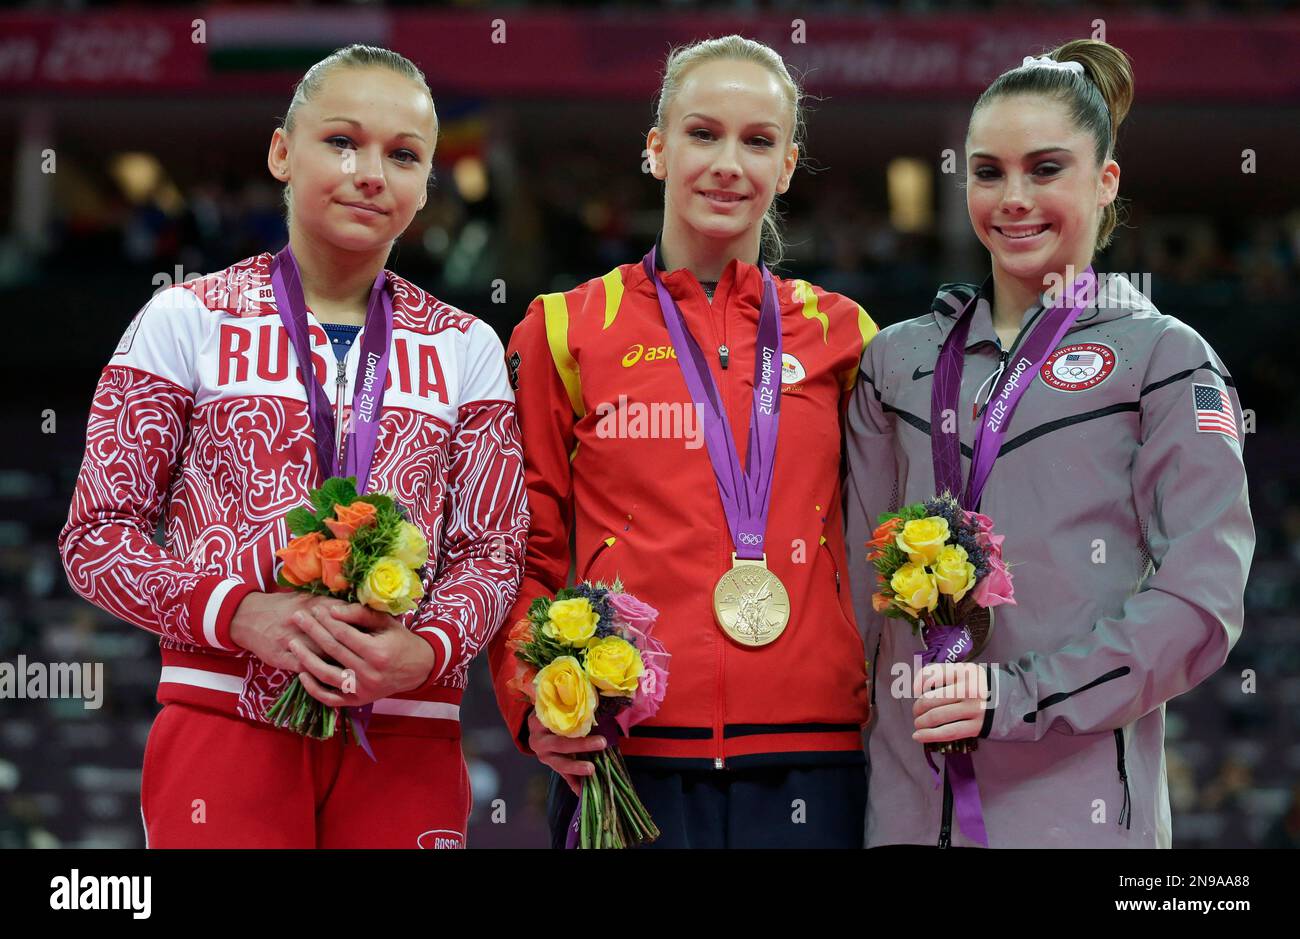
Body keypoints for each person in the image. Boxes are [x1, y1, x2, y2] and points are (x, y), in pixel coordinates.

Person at [58, 44, 527, 848]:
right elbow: (96, 536)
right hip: (224, 712)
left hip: (406, 728)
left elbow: (492, 550)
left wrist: (426, 648)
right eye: (342, 141)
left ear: (424, 185)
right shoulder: (187, 319)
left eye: (404, 154)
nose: (371, 172)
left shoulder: (467, 346)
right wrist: (240, 613)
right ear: (282, 151)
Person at [845, 39, 1254, 848]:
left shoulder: (1164, 357)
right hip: (902, 813)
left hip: (1079, 819)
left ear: (1106, 183)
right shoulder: (893, 360)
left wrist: (1016, 697)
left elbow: (1200, 602)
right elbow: (851, 595)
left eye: (1046, 169)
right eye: (989, 171)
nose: (1013, 198)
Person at [488, 34, 878, 849]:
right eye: (703, 133)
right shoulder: (564, 329)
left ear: (789, 165)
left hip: (815, 757)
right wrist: (536, 702)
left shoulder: (847, 337)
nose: (728, 163)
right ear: (657, 150)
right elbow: (522, 547)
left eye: (758, 141)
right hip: (624, 750)